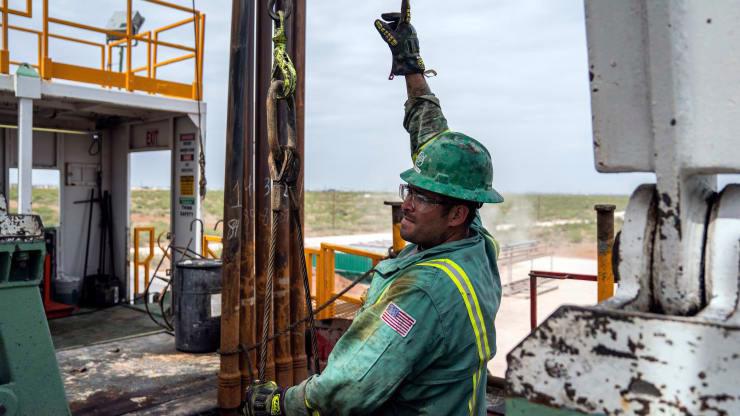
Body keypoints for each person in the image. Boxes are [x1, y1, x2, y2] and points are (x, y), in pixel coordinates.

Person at [244, 1, 503, 414]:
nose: (408, 204)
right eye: (409, 190)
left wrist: (280, 405)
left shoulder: (420, 293)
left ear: (456, 213)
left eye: (422, 197)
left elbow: (348, 389)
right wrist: (412, 67)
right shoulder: (475, 243)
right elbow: (431, 140)